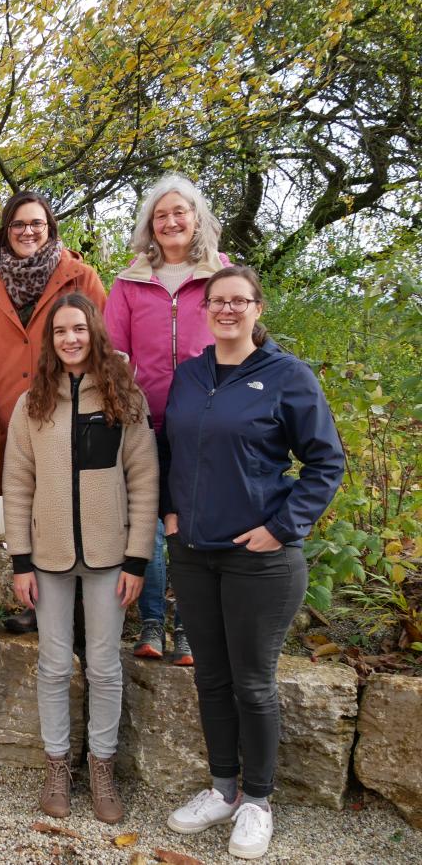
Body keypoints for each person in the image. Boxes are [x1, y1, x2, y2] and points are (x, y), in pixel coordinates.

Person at [161, 266, 344, 860]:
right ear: (204, 309)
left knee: (253, 683)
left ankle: (258, 802)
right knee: (209, 677)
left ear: (258, 308)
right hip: (192, 555)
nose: (228, 310)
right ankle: (222, 789)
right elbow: (170, 449)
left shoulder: (287, 376)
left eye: (240, 301)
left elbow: (326, 462)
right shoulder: (189, 375)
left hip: (258, 561)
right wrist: (168, 512)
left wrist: (282, 528)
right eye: (218, 301)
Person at [2, 293, 158, 824]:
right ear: (50, 341)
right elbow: (18, 484)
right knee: (51, 664)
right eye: (60, 331)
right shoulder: (33, 403)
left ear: (94, 332)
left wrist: (137, 559)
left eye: (79, 329)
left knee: (106, 665)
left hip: (110, 555)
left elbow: (142, 479)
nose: (70, 339)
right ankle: (56, 766)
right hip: (47, 556)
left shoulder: (123, 395)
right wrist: (20, 559)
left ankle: (102, 767)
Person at [107, 174, 230, 666]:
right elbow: (114, 353)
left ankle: (192, 627)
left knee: (195, 523)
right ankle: (153, 622)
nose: (171, 221)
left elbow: (241, 341)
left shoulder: (222, 275)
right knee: (151, 523)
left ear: (196, 217)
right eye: (161, 215)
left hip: (208, 420)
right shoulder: (129, 281)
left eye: (180, 212)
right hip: (146, 421)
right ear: (149, 225)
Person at [0, 191, 107, 490]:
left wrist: (76, 388)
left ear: (50, 228)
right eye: (18, 224)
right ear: (7, 231)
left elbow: (104, 342)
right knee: (13, 510)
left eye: (36, 223)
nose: (28, 231)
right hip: (5, 417)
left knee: (64, 506)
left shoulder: (81, 278)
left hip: (67, 412)